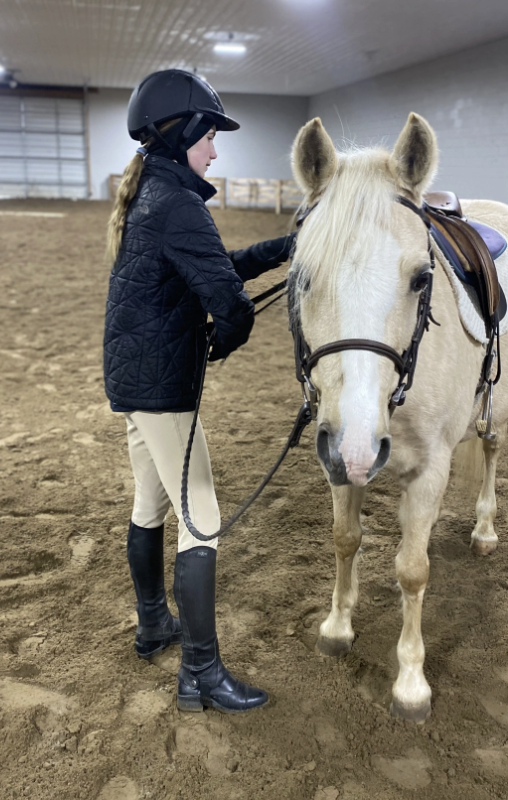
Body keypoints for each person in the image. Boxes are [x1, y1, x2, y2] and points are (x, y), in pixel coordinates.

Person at [103, 69, 293, 713]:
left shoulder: (153, 196)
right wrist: (229, 334)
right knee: (202, 519)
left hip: (135, 383)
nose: (215, 150)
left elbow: (209, 266)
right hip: (163, 389)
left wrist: (284, 248)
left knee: (150, 504)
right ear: (182, 132)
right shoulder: (179, 203)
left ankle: (155, 623)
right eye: (210, 136)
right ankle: (201, 676)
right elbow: (229, 305)